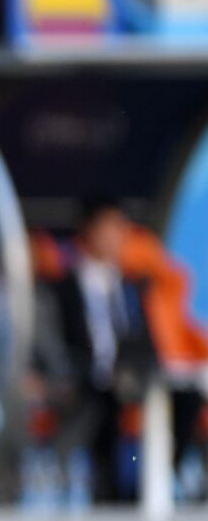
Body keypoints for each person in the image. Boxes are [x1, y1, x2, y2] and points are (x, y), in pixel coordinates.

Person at [53, 198, 159, 501]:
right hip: (84, 381)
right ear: (89, 231)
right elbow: (57, 344)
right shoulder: (62, 288)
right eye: (110, 227)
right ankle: (108, 499)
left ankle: (147, 494)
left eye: (122, 228)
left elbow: (147, 343)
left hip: (131, 382)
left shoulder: (133, 287)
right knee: (100, 402)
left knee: (184, 401)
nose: (118, 236)